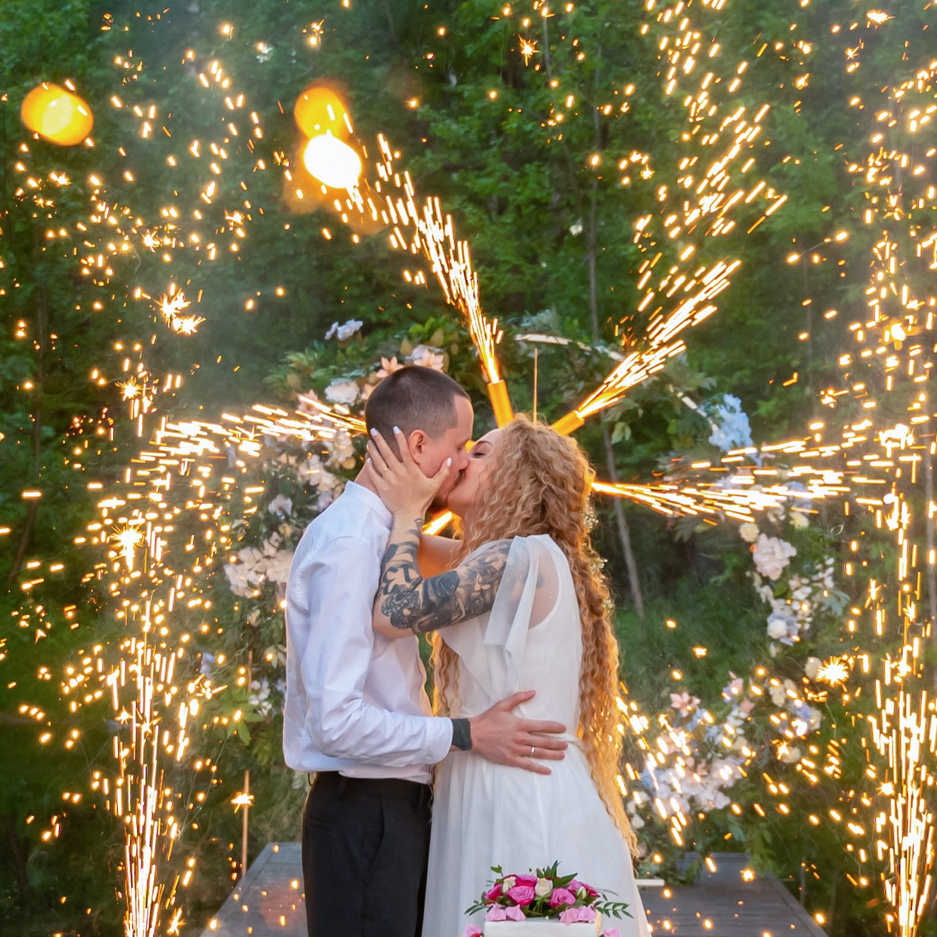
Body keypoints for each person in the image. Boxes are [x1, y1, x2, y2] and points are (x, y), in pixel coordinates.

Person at [283, 366, 570, 937]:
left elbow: (457, 567)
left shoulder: (395, 541)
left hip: (403, 807)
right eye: (461, 446)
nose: (463, 461)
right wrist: (462, 733)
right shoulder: (349, 543)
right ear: (418, 444)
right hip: (368, 810)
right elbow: (335, 722)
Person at [366, 416, 651, 937]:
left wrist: (410, 508)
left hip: (518, 792)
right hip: (505, 777)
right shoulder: (512, 560)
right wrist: (417, 482)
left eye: (478, 454)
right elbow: (390, 546)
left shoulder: (518, 559)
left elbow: (393, 610)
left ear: (517, 476)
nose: (461, 461)